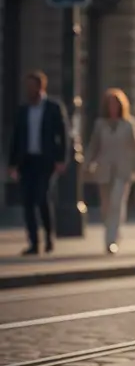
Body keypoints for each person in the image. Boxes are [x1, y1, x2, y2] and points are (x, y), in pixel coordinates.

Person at [7, 71, 70, 255]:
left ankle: (49, 237)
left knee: (42, 198)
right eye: (27, 86)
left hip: (46, 162)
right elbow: (16, 138)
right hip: (27, 161)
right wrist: (12, 164)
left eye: (32, 85)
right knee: (27, 202)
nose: (29, 89)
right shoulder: (23, 110)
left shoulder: (53, 107)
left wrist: (61, 159)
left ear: (41, 87)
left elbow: (64, 135)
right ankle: (34, 242)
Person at [84, 88, 135, 254]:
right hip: (104, 170)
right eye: (110, 104)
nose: (113, 107)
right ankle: (114, 231)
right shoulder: (100, 124)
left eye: (115, 104)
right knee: (106, 207)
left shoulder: (129, 124)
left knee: (116, 203)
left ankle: (110, 239)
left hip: (123, 171)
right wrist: (87, 164)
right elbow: (93, 146)